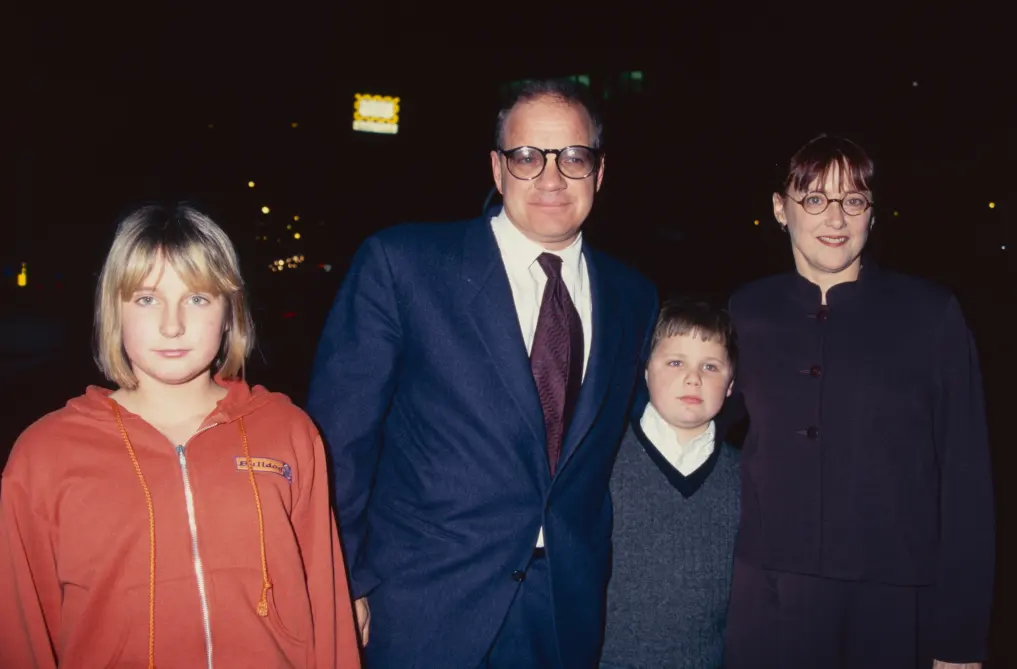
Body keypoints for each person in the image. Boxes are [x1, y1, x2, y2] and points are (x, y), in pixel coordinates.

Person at [307, 78, 659, 669]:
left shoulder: (634, 296)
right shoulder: (404, 265)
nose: (551, 177)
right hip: (423, 605)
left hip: (563, 612)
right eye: (527, 157)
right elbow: (337, 442)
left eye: (574, 157)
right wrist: (346, 579)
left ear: (600, 173)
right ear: (497, 170)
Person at [0, 204, 361, 669]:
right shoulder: (45, 455)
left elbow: (326, 606)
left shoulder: (287, 431)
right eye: (147, 299)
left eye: (197, 298)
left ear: (230, 310)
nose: (172, 325)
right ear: (114, 309)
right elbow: (20, 632)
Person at [723, 135, 995, 669]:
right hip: (771, 599)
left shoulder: (930, 314)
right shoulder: (746, 310)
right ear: (781, 209)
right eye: (815, 199)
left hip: (893, 603)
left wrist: (960, 638)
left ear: (873, 211)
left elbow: (966, 478)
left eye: (854, 200)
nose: (836, 218)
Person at [600, 298, 742, 669]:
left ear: (730, 385)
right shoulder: (600, 462)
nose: (693, 378)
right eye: (675, 362)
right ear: (646, 371)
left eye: (710, 366)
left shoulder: (748, 476)